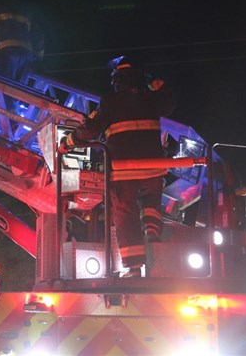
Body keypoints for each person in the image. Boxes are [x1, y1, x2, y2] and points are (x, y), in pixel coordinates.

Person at [58, 55, 176, 278]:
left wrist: (68, 142)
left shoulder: (110, 102)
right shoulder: (152, 99)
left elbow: (91, 129)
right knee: (151, 202)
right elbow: (169, 102)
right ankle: (151, 231)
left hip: (123, 171)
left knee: (126, 215)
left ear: (119, 79)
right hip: (153, 168)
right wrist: (154, 84)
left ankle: (134, 267)